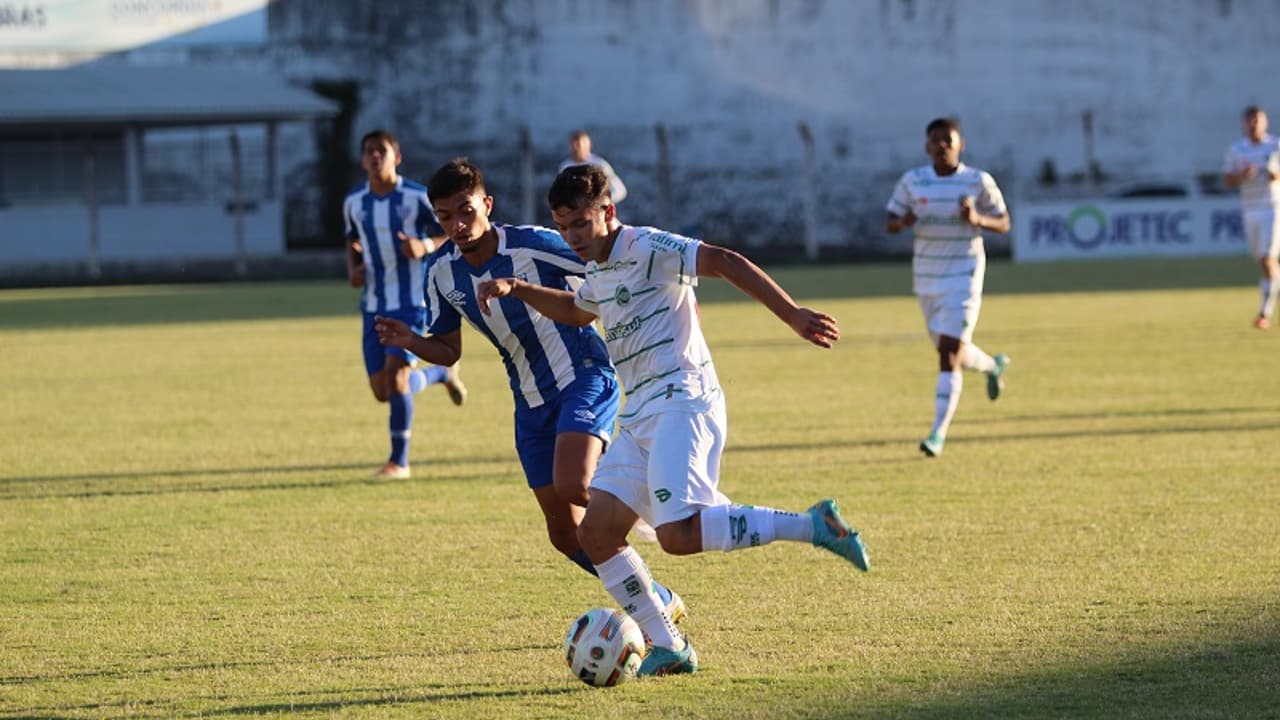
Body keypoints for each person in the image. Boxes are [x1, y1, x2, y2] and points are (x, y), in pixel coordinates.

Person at [475, 163, 870, 678]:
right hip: (640, 415)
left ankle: (815, 525)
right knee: (595, 534)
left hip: (685, 401)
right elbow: (578, 310)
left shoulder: (648, 247)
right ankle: (669, 645)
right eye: (563, 225)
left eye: (581, 224)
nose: (572, 236)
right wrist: (517, 288)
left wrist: (792, 313)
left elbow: (724, 261)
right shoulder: (595, 266)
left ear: (608, 212)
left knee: (677, 536)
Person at [372, 158, 683, 617]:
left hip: (583, 375)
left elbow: (597, 264)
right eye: (444, 216)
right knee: (564, 535)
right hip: (529, 401)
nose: (457, 224)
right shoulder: (440, 272)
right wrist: (412, 341)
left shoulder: (533, 245)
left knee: (574, 483)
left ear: (487, 204)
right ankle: (655, 598)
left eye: (465, 211)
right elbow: (448, 350)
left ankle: (662, 512)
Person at [343, 129, 467, 480]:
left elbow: (453, 231)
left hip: (413, 302)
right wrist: (353, 269)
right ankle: (439, 373)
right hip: (373, 305)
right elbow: (352, 240)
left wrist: (423, 246)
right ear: (363, 159)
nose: (375, 156)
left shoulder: (416, 198)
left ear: (397, 156)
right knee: (383, 390)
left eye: (382, 150)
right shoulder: (354, 202)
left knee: (397, 378)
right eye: (369, 151)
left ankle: (399, 462)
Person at [886, 116, 1012, 458]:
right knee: (952, 350)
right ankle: (992, 366)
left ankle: (937, 434)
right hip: (927, 275)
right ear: (927, 146)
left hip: (965, 272)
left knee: (948, 353)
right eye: (935, 140)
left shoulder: (977, 181)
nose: (942, 145)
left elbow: (1003, 222)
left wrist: (977, 220)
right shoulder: (913, 181)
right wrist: (904, 222)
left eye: (948, 140)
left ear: (960, 144)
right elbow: (890, 223)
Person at [1222, 105, 1280, 330]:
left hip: (1272, 208)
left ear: (1265, 122)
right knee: (1263, 262)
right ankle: (1266, 308)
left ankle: (1264, 313)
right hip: (1250, 210)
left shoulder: (1275, 145)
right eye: (1251, 120)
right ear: (1244, 124)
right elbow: (1227, 181)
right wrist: (1242, 176)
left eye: (1259, 120)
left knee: (1267, 259)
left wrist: (1275, 175)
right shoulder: (1237, 150)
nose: (1255, 124)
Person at [558, 129, 628, 205]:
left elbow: (620, 191)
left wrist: (600, 203)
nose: (575, 147)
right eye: (572, 144)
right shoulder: (565, 167)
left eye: (578, 144)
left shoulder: (599, 165)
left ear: (588, 145)